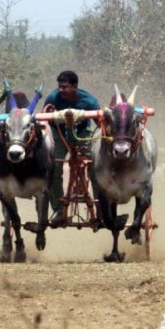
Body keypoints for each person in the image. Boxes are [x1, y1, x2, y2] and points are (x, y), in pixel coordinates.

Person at [41, 70, 101, 226]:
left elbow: (101, 125)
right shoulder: (53, 98)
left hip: (83, 134)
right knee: (53, 168)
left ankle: (101, 210)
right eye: (59, 87)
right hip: (59, 134)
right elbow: (43, 120)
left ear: (75, 86)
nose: (60, 90)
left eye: (64, 87)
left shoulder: (89, 101)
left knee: (96, 169)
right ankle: (60, 211)